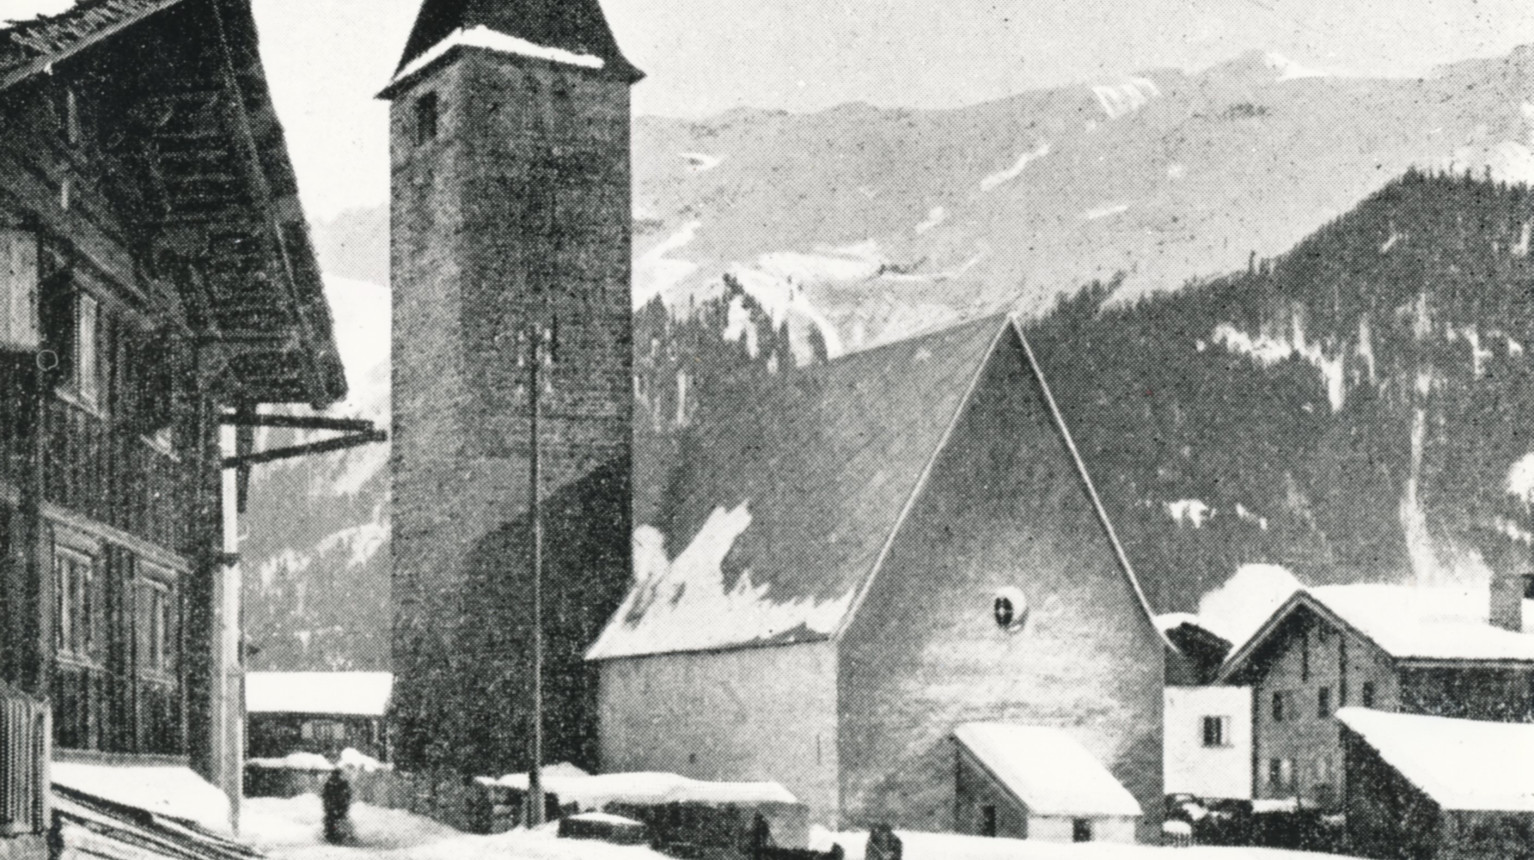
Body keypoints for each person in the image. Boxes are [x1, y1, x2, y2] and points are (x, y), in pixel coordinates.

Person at [321, 766, 354, 844]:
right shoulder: (335, 784)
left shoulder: (331, 784)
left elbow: (325, 796)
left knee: (333, 821)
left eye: (336, 774)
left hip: (336, 807)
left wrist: (328, 804)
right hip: (337, 807)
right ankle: (335, 836)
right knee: (337, 821)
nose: (335, 776)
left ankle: (333, 836)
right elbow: (347, 795)